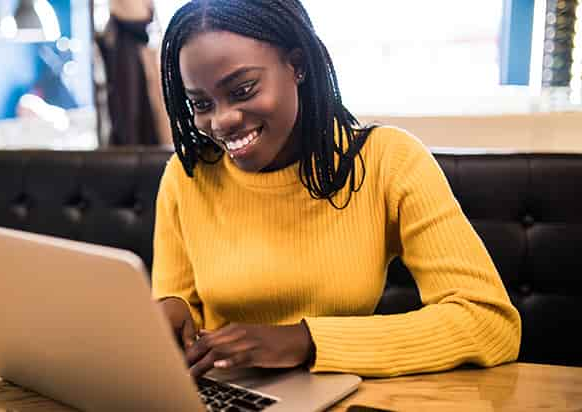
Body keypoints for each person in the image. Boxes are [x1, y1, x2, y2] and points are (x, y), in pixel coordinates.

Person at [152, 0, 521, 379]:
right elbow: (180, 307)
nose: (222, 120)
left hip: (344, 394)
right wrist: (172, 312)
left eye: (243, 89)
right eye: (201, 103)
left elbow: (488, 322)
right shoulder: (188, 175)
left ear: (297, 65)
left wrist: (305, 341)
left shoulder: (387, 161)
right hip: (230, 395)